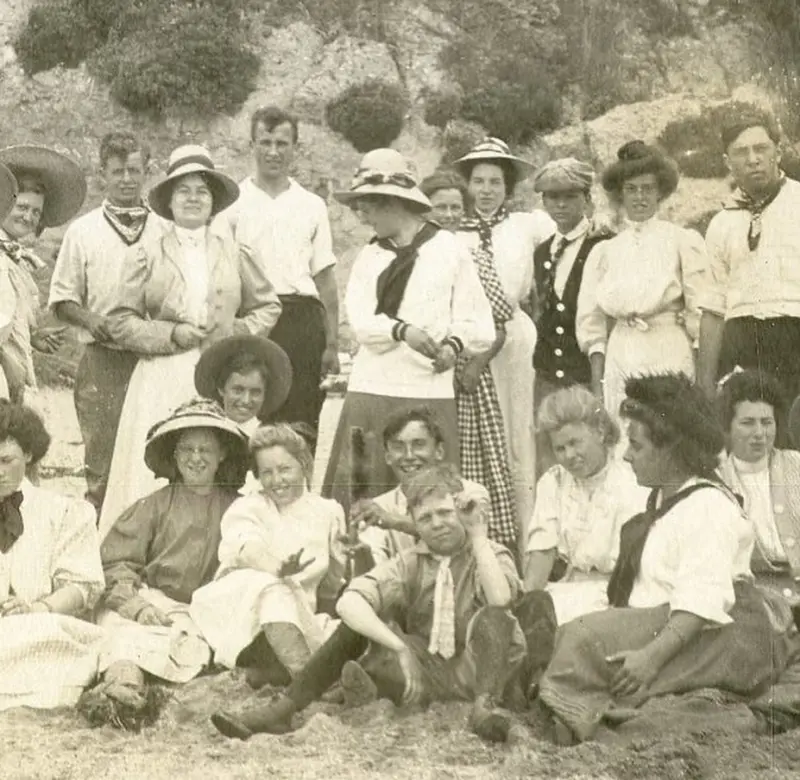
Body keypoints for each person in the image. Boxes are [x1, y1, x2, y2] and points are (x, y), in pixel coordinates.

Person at [538, 374, 796, 744]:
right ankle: (586, 708)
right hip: (669, 623)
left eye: (637, 446)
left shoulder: (707, 507)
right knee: (563, 629)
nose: (626, 455)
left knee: (583, 640)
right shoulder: (662, 499)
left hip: (723, 635)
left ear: (670, 450)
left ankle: (588, 714)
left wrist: (650, 659)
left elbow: (701, 602)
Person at [211, 463, 531, 744]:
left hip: (482, 670)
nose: (437, 524)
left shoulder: (487, 552)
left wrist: (477, 535)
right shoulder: (411, 561)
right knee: (359, 623)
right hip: (428, 672)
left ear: (461, 512)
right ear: (413, 524)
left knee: (494, 617)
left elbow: (500, 599)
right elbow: (349, 602)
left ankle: (485, 707)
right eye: (426, 518)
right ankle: (283, 709)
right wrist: (399, 647)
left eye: (446, 513)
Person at [97, 144, 282, 537]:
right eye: (184, 190)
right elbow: (119, 320)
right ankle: (146, 547)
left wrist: (237, 332)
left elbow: (268, 306)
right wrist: (172, 334)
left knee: (214, 460)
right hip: (162, 376)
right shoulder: (147, 252)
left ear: (214, 200)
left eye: (202, 190)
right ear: (169, 200)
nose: (193, 198)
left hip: (217, 375)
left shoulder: (234, 250)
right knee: (163, 462)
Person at [322, 149, 495, 516]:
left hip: (427, 392)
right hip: (372, 389)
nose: (363, 216)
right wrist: (403, 332)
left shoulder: (448, 250)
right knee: (363, 490)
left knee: (428, 495)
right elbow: (362, 320)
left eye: (367, 206)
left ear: (393, 203)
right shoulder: (371, 256)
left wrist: (452, 346)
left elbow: (480, 323)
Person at [83, 399, 249, 728]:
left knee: (191, 648)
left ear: (223, 455)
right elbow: (116, 562)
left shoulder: (241, 508)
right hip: (153, 599)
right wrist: (137, 605)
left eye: (206, 449)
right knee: (123, 632)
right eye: (186, 449)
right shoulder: (153, 506)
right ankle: (122, 688)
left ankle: (160, 696)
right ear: (173, 455)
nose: (196, 458)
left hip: (204, 609)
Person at [49, 132, 165, 513]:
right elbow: (63, 299)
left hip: (152, 359)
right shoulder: (84, 230)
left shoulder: (165, 227)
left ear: (147, 171)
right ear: (102, 174)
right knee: (102, 458)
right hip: (102, 360)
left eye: (135, 170)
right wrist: (91, 319)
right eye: (118, 171)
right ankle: (97, 549)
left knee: (153, 451)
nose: (127, 179)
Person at [453, 137, 555, 545]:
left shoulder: (528, 225)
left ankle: (526, 537)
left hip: (514, 340)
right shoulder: (454, 230)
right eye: (479, 181)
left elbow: (568, 239)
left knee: (518, 435)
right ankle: (481, 533)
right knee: (477, 436)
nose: (487, 190)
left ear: (508, 185)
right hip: (470, 342)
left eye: (496, 181)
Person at [190, 424, 345, 686]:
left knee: (337, 630)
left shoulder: (328, 512)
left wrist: (320, 625)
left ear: (304, 465)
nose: (276, 480)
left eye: (285, 469)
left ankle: (280, 672)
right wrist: (277, 568)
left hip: (295, 617)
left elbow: (331, 584)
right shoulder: (250, 507)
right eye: (267, 473)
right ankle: (308, 681)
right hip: (240, 610)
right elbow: (247, 547)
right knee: (273, 586)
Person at [221, 106, 340, 439]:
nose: (273, 151)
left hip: (302, 322)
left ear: (294, 147)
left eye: (282, 143)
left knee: (301, 421)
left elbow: (325, 279)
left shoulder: (312, 205)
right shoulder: (233, 203)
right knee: (250, 414)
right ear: (252, 144)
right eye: (265, 142)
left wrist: (332, 343)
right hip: (254, 319)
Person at [576, 141, 707, 420]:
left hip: (669, 349)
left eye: (647, 188)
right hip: (622, 352)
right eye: (631, 189)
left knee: (670, 430)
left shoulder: (682, 241)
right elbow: (592, 324)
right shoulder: (605, 251)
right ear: (620, 194)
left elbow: (700, 313)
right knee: (625, 433)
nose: (639, 197)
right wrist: (598, 385)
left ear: (660, 191)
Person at [0, 400, 105, 711]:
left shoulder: (63, 511)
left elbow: (81, 587)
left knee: (40, 637)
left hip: (37, 627)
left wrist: (37, 608)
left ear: (29, 455)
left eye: (7, 460)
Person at [698, 110, 800, 407]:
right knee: (749, 441)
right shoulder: (721, 222)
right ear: (727, 162)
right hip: (741, 346)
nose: (753, 159)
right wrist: (704, 384)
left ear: (778, 153)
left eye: (761, 148)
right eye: (741, 152)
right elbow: (713, 309)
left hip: (794, 336)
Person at [524, 386, 647, 624]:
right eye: (560, 448)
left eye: (575, 442)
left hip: (616, 598)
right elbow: (542, 552)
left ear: (600, 432)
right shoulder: (553, 481)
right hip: (565, 590)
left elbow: (633, 568)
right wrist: (526, 609)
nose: (569, 455)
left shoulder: (631, 479)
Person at [0, 145, 86, 403]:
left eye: (36, 212)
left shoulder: (13, 260)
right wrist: (6, 361)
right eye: (23, 207)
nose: (28, 217)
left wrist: (32, 338)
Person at [532, 157, 612, 400]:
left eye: (570, 197)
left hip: (587, 376)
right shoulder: (543, 250)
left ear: (587, 199)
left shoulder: (604, 245)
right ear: (544, 202)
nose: (561, 205)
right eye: (553, 198)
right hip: (547, 379)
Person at [717, 370, 800, 593]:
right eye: (747, 423)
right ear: (727, 426)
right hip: (754, 603)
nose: (760, 433)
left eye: (767, 422)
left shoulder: (796, 465)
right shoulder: (716, 480)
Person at [193, 333, 293, 438]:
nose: (246, 400)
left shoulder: (268, 439)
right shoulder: (207, 432)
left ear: (264, 394)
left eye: (255, 392)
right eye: (238, 390)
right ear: (221, 389)